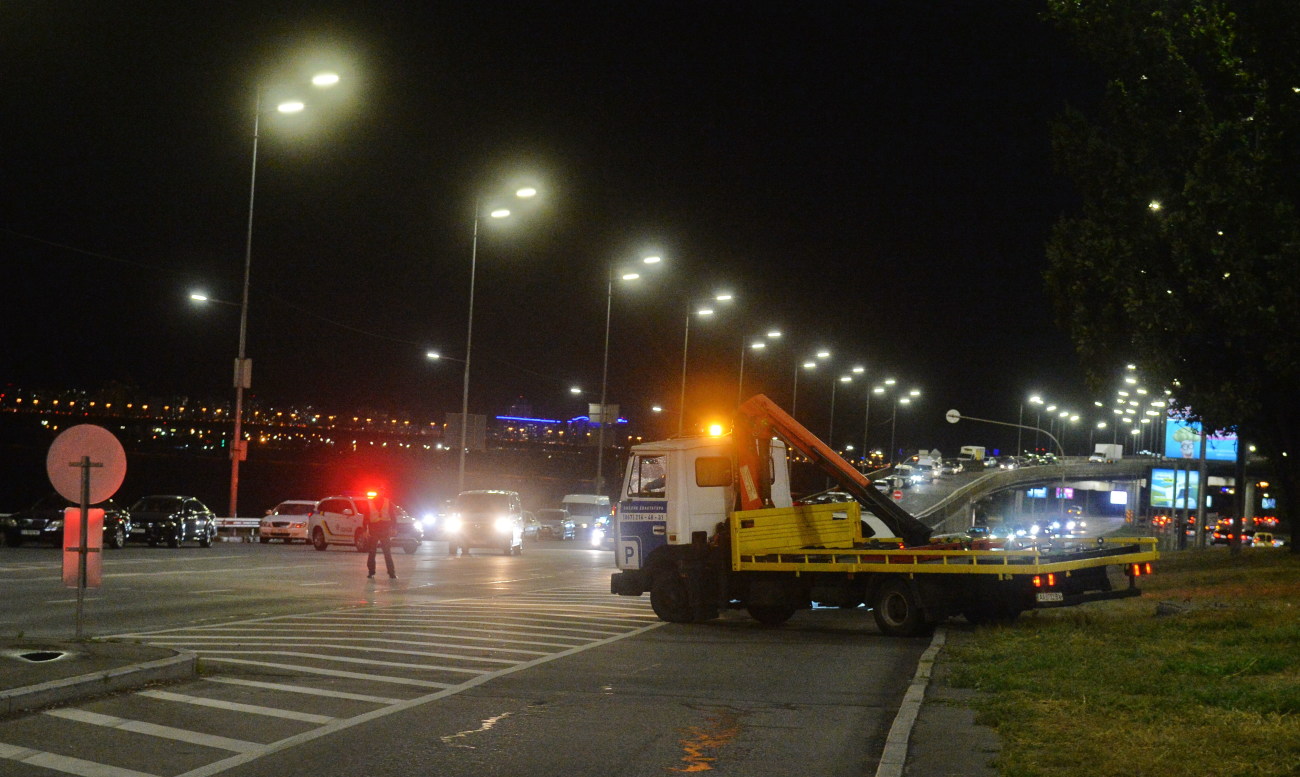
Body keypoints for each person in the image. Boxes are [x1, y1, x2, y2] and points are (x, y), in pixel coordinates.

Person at [364, 495, 397, 579]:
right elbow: (366, 517)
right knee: (376, 552)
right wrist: (365, 529)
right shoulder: (371, 502)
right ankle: (389, 573)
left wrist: (394, 527)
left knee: (384, 552)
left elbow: (392, 515)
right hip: (376, 529)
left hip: (382, 530)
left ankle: (389, 572)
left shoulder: (386, 502)